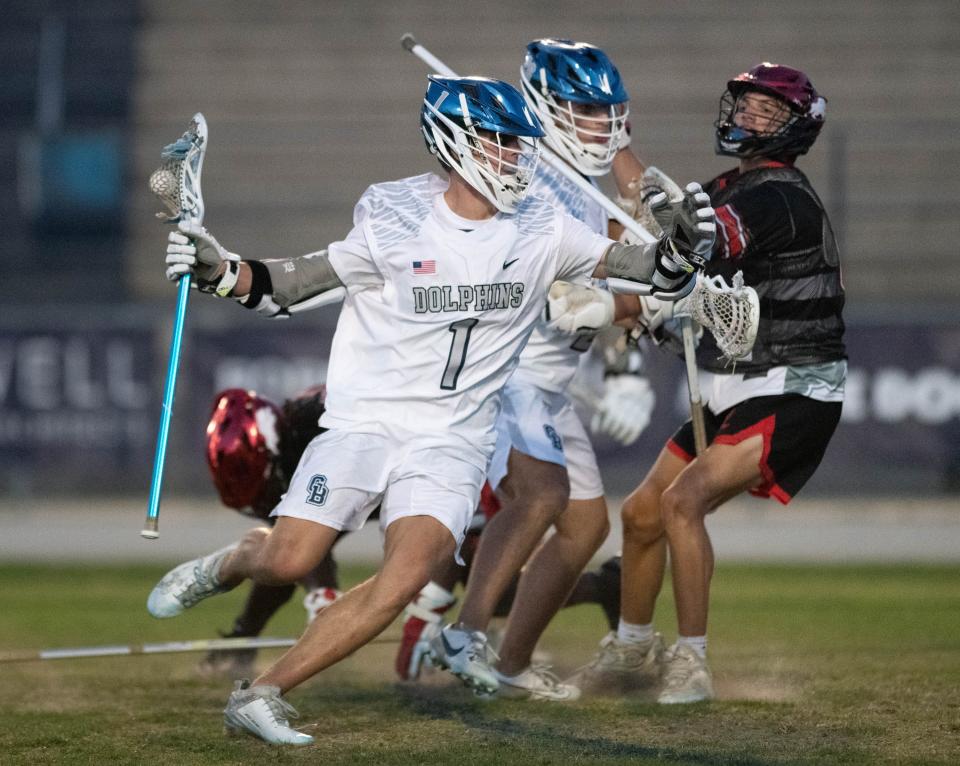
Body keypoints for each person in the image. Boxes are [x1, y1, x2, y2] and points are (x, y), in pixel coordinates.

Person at [147, 74, 712, 745]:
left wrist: (677, 254)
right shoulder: (393, 213)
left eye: (519, 142)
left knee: (406, 574)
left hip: (453, 439)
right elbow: (292, 285)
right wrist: (217, 270)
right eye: (501, 142)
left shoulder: (542, 223)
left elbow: (645, 271)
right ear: (456, 144)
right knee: (289, 560)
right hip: (367, 421)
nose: (517, 156)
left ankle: (262, 692)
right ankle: (226, 566)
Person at [578, 62, 844, 704]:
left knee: (680, 504)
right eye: (746, 104)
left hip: (793, 386)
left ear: (794, 129)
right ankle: (633, 646)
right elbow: (654, 227)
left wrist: (606, 301)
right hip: (738, 384)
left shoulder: (776, 196)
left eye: (768, 111)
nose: (750, 116)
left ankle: (692, 662)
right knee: (641, 514)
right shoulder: (733, 183)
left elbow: (697, 243)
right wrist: (617, 146)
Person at [429, 39, 657, 702]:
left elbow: (629, 252)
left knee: (585, 528)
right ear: (546, 108)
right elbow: (560, 296)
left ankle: (509, 665)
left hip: (549, 381)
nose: (601, 124)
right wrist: (638, 306)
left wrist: (636, 336)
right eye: (585, 109)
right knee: (543, 496)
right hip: (502, 367)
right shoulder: (523, 174)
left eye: (609, 111)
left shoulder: (581, 188)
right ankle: (463, 635)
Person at [197, 386, 342, 677]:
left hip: (409, 468)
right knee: (289, 545)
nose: (263, 499)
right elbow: (290, 554)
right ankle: (243, 639)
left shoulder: (326, 434)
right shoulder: (286, 454)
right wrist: (246, 632)